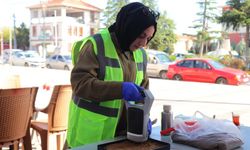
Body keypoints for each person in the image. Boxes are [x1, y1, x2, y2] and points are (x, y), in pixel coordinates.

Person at [67, 2, 159, 148]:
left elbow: (143, 90)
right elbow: (80, 85)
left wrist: (143, 116)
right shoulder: (96, 45)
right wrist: (120, 89)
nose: (144, 43)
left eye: (148, 38)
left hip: (124, 138)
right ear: (130, 28)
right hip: (92, 136)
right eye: (141, 35)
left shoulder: (140, 54)